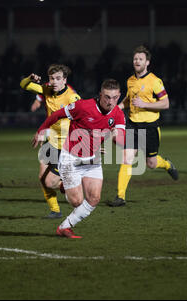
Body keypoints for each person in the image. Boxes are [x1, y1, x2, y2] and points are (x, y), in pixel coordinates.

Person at [32, 79, 126, 238]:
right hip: (71, 158)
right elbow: (57, 114)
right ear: (100, 94)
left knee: (94, 199)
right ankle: (64, 186)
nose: (111, 101)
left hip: (93, 160)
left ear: (119, 96)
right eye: (107, 97)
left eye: (115, 97)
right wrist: (42, 130)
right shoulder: (83, 106)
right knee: (77, 202)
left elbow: (121, 140)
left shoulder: (118, 113)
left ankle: (65, 227)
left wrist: (116, 136)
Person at [108, 45, 179, 207]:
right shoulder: (130, 80)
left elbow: (166, 103)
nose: (137, 61)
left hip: (150, 127)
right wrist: (116, 109)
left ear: (147, 62)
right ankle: (120, 197)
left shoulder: (155, 81)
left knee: (151, 163)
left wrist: (145, 104)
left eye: (140, 59)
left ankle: (167, 164)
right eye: (135, 59)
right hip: (133, 125)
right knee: (126, 158)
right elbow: (128, 100)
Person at [21, 64, 80, 219]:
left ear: (65, 80)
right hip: (51, 141)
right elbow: (23, 85)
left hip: (67, 146)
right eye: (52, 78)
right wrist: (30, 78)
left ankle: (69, 184)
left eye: (58, 78)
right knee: (42, 177)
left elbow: (84, 117)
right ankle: (55, 210)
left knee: (49, 182)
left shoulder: (71, 97)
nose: (54, 82)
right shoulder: (46, 90)